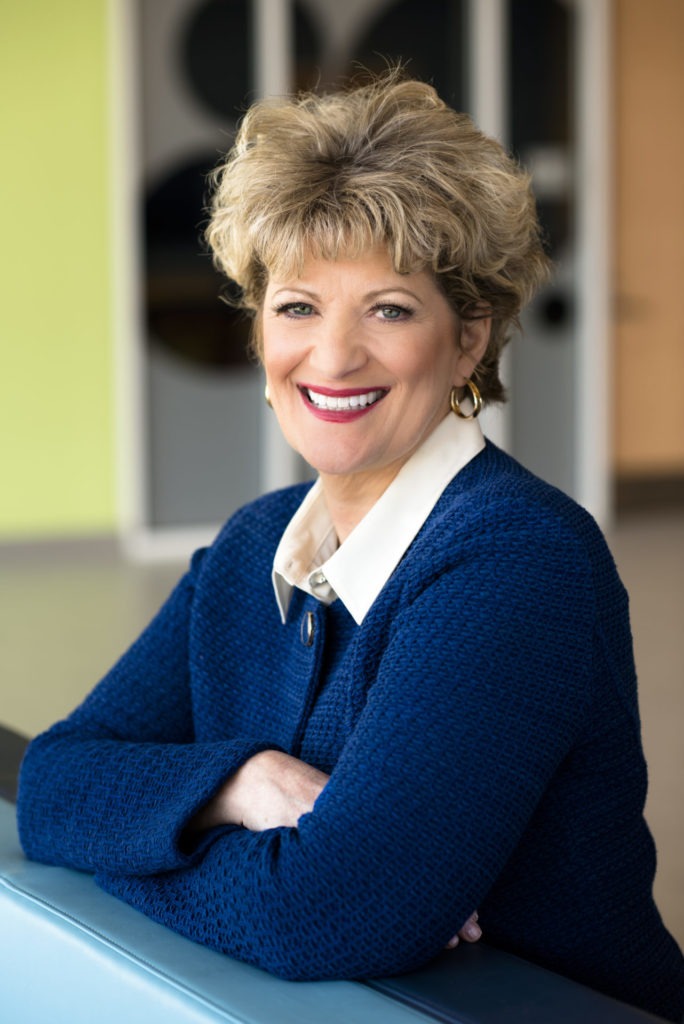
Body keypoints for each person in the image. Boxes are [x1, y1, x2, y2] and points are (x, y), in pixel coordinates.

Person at [17, 72, 684, 1021]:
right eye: (296, 307)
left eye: (390, 309)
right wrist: (237, 787)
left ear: (469, 341)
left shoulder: (522, 564)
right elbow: (51, 784)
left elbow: (326, 915)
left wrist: (130, 833)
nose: (331, 358)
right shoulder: (255, 546)